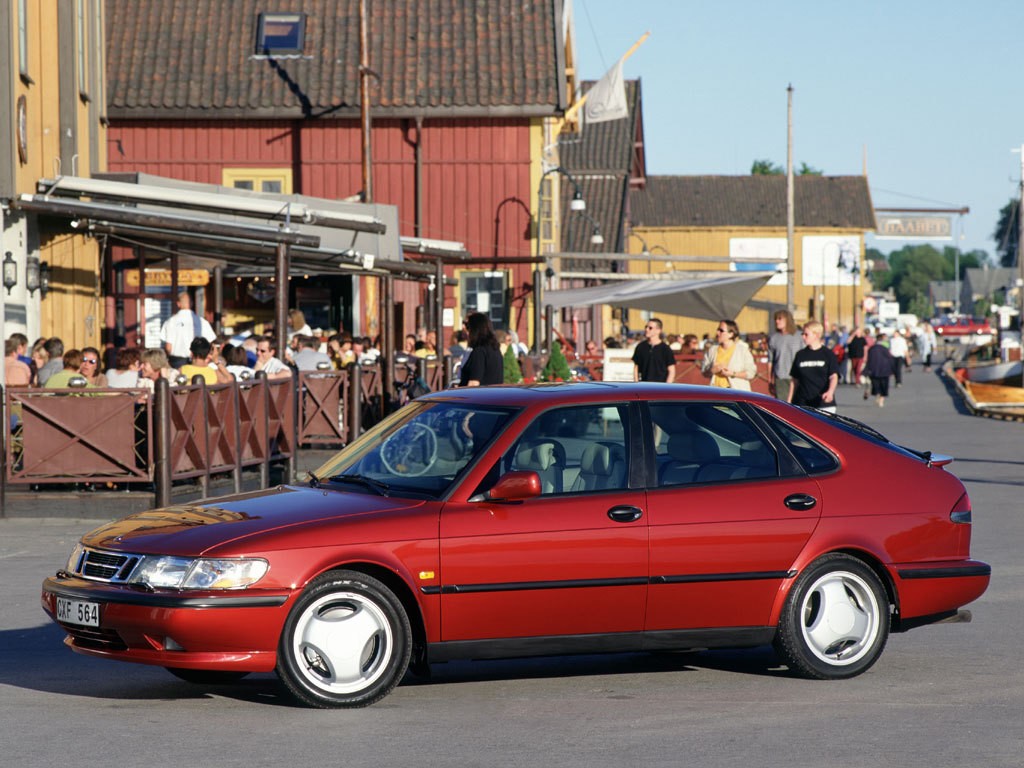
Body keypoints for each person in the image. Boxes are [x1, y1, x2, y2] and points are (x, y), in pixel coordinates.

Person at [788, 321, 840, 412]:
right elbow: (794, 380)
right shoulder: (800, 355)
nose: (803, 337)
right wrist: (789, 400)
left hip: (823, 403)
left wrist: (830, 392)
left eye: (806, 334)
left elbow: (833, 376)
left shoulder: (828, 354)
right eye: (802, 334)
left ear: (817, 335)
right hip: (802, 403)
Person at [160, 291, 215, 369]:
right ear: (191, 303)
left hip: (176, 362)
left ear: (178, 304)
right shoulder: (202, 321)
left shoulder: (170, 322)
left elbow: (168, 347)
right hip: (198, 360)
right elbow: (210, 343)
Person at [701, 319, 756, 390]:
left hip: (737, 393)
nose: (717, 333)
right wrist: (712, 370)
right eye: (717, 330)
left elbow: (751, 373)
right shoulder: (712, 350)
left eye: (721, 330)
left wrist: (732, 374)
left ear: (731, 334)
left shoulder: (743, 351)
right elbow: (704, 372)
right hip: (715, 392)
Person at [459, 312, 503, 386]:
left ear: (475, 329)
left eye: (468, 327)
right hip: (494, 392)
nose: (465, 330)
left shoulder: (479, 352)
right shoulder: (494, 349)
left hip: (479, 393)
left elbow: (474, 383)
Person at [768, 309, 803, 400]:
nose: (777, 321)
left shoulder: (800, 336)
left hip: (798, 377)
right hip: (781, 377)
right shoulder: (774, 338)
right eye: (776, 319)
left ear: (788, 320)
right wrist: (770, 379)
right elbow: (771, 360)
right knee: (783, 404)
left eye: (780, 319)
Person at [633, 318, 677, 383]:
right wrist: (636, 383)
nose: (647, 329)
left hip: (660, 386)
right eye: (646, 327)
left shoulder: (665, 349)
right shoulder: (641, 347)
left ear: (658, 330)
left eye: (650, 328)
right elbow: (636, 367)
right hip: (644, 385)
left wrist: (667, 386)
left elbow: (671, 370)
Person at [865, 332, 896, 407]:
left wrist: (867, 370)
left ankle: (877, 395)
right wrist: (893, 370)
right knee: (884, 386)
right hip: (885, 370)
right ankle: (881, 400)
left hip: (874, 370)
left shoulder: (871, 349)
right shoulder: (885, 349)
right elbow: (890, 360)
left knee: (876, 385)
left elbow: (869, 360)